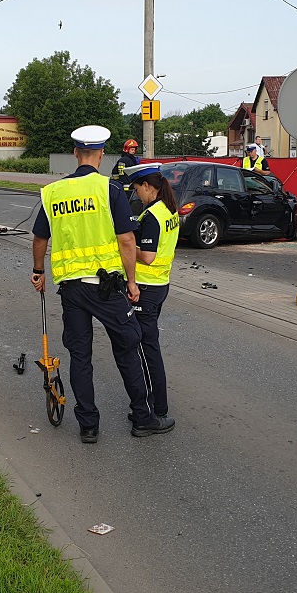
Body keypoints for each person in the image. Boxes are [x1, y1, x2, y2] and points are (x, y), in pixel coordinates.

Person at [32, 126, 174, 444]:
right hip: (106, 288)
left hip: (70, 289)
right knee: (128, 344)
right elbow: (126, 239)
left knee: (80, 355)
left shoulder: (54, 192)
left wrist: (38, 271)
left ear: (74, 154)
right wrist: (133, 283)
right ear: (100, 155)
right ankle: (143, 417)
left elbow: (40, 237)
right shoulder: (108, 190)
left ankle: (88, 426)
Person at [129, 164, 180, 420]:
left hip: (146, 289)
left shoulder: (152, 216)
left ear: (147, 186)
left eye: (137, 189)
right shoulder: (168, 209)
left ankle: (155, 410)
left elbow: (147, 257)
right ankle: (155, 406)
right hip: (160, 285)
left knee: (147, 351)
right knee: (149, 348)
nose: (137, 194)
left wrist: (125, 250)